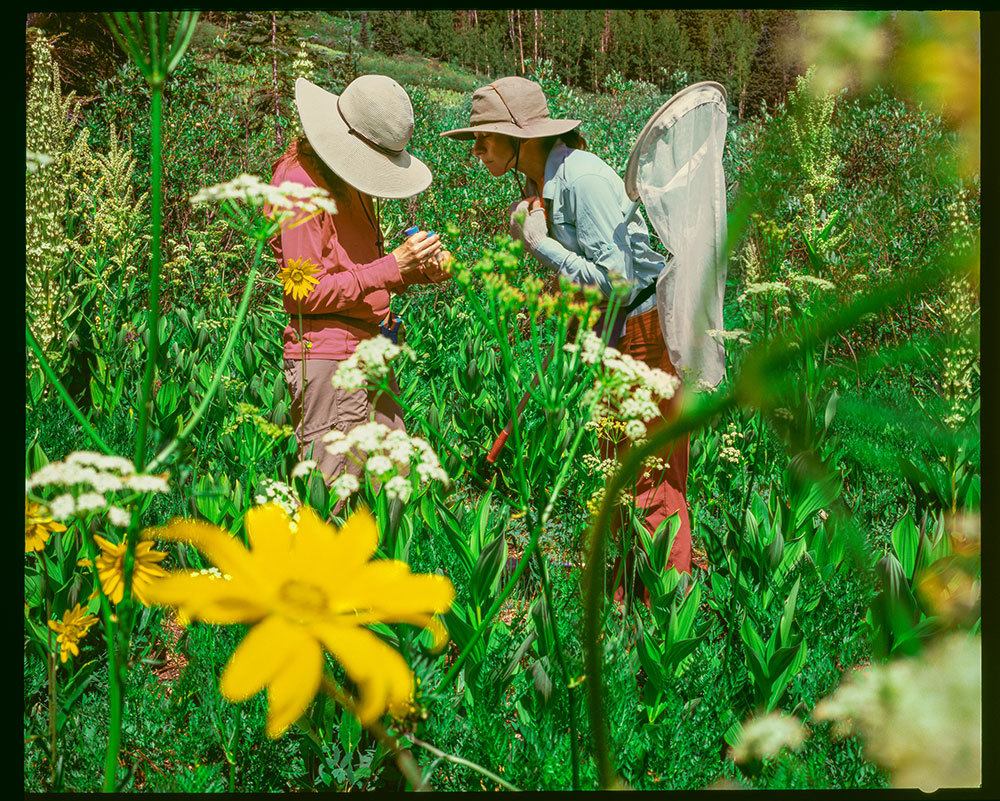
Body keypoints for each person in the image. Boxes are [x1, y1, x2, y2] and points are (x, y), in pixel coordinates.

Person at [441, 76, 691, 606]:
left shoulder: (581, 180)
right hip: (611, 330)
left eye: (485, 137)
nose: (478, 150)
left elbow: (618, 279)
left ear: (522, 138)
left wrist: (543, 246)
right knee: (615, 468)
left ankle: (666, 610)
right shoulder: (540, 180)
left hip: (642, 331)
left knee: (650, 480)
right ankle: (627, 599)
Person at [269, 74, 451, 495]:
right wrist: (391, 267)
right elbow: (302, 292)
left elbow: (356, 271)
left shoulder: (345, 179)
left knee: (394, 492)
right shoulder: (300, 187)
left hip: (368, 353)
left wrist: (416, 270)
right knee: (335, 502)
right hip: (332, 361)